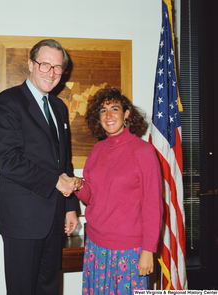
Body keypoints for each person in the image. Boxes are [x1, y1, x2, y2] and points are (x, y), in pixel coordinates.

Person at [0, 39, 79, 295]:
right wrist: (55, 180)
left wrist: (71, 207)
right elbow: (8, 160)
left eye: (57, 67)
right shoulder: (9, 101)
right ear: (30, 64)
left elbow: (65, 161)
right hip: (22, 219)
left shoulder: (59, 107)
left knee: (50, 289)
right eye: (45, 64)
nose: (51, 73)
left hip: (54, 218)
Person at [74, 88, 163, 294]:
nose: (109, 115)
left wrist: (148, 250)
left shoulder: (143, 151)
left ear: (126, 114)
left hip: (129, 250)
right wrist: (79, 185)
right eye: (103, 110)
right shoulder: (97, 150)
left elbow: (152, 205)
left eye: (115, 109)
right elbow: (91, 197)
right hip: (96, 246)